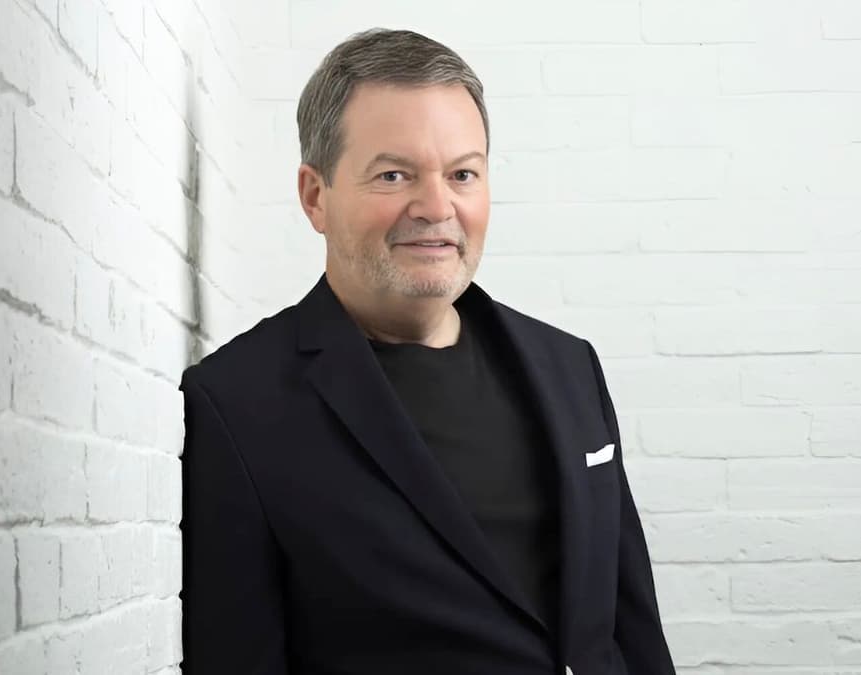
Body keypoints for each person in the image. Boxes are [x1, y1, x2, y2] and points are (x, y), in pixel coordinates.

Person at [179, 28, 676, 675]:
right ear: (315, 197)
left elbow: (633, 629)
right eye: (394, 175)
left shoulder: (570, 366)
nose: (437, 206)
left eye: (462, 174)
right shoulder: (237, 405)